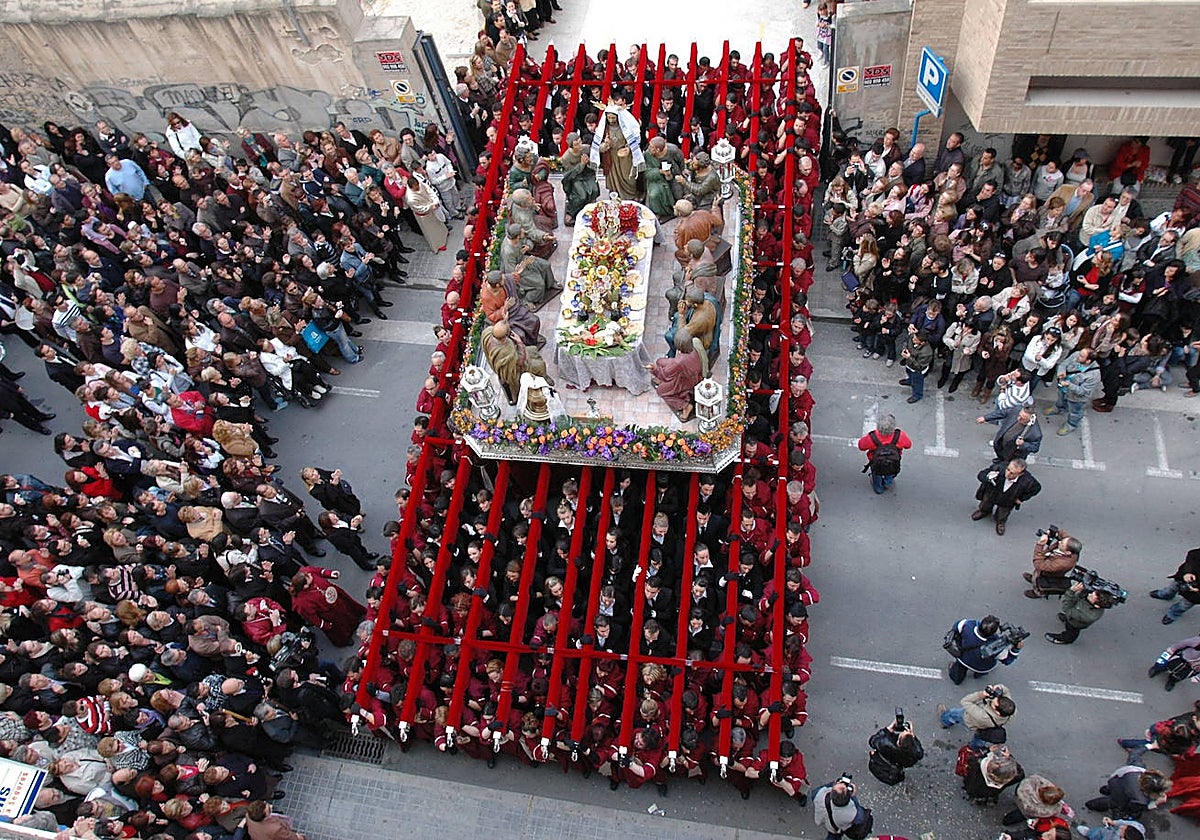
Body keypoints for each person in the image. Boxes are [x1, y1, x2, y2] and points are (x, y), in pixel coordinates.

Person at [945, 614, 1023, 684]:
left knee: (958, 672)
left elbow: (956, 627)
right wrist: (1016, 649)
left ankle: (956, 677)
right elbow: (1007, 660)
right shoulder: (997, 644)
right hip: (982, 667)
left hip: (963, 659)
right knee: (983, 668)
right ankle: (978, 674)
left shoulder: (967, 625)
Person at [972, 458, 1041, 536]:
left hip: (1009, 499)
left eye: (1012, 473)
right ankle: (984, 512)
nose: (1007, 474)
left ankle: (1000, 522)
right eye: (1008, 469)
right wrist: (988, 478)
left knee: (1003, 512)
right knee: (985, 504)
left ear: (1020, 474)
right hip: (992, 493)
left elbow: (1036, 488)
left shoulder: (1027, 480)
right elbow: (981, 475)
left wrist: (1022, 498)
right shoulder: (999, 468)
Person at [591, 103, 644, 201]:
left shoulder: (626, 126)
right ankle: (615, 198)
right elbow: (599, 147)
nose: (611, 120)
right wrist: (606, 145)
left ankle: (630, 198)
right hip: (611, 157)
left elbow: (634, 142)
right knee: (613, 181)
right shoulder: (604, 129)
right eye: (609, 118)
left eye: (613, 118)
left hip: (625, 157)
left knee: (629, 178)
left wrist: (628, 148)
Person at [938, 683, 1016, 748]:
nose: (993, 699)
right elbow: (1006, 691)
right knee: (980, 740)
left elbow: (965, 701)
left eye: (994, 703)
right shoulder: (1010, 709)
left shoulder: (983, 716)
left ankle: (945, 721)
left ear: (997, 712)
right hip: (987, 729)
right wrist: (999, 688)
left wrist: (982, 694)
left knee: (953, 714)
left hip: (970, 720)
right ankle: (974, 749)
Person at [1047, 346, 1100, 435]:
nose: (1077, 357)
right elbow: (1063, 364)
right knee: (1061, 399)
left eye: (1081, 356)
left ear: (1088, 361)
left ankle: (1071, 425)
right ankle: (1058, 408)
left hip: (1076, 398)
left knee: (1074, 412)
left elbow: (1082, 391)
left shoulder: (1094, 375)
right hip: (1063, 389)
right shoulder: (1076, 355)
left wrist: (1069, 385)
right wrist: (1061, 373)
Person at [1045, 580, 1117, 644]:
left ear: (1097, 605)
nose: (1089, 594)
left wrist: (1071, 591)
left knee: (1071, 631)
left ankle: (1065, 639)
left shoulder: (1088, 616)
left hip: (1076, 622)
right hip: (1076, 612)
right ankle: (1067, 619)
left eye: (1091, 596)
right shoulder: (1094, 602)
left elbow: (1067, 609)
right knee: (1069, 618)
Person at [856, 413, 912, 494]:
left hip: (876, 462)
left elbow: (861, 446)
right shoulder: (900, 435)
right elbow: (908, 445)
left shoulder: (872, 438)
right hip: (893, 461)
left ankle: (878, 488)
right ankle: (887, 483)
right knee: (890, 472)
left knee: (877, 474)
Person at [1024, 528, 1081, 598]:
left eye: (1062, 544)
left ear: (1067, 552)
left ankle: (1037, 592)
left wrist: (1040, 545)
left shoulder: (1061, 564)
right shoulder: (1070, 546)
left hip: (1047, 573)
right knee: (1035, 574)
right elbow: (1064, 535)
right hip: (1049, 562)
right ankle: (1034, 579)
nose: (1059, 542)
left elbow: (1039, 565)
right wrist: (1054, 532)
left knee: (1037, 578)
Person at [1149, 545, 1200, 624]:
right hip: (1183, 578)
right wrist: (1188, 572)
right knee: (1171, 588)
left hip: (1196, 594)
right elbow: (1192, 555)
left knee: (1184, 605)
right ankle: (1165, 595)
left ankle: (1172, 614)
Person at [812, 774, 871, 840]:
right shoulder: (852, 813)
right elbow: (861, 817)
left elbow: (815, 792)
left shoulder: (819, 795)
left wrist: (834, 783)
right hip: (839, 826)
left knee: (832, 834)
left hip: (825, 821)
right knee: (835, 834)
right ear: (848, 797)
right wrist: (853, 796)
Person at [559, 131, 599, 226]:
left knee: (594, 189)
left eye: (580, 142)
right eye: (576, 144)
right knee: (581, 195)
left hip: (587, 174)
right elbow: (569, 174)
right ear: (571, 146)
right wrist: (581, 165)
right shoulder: (566, 157)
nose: (580, 145)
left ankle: (589, 208)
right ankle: (571, 211)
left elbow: (597, 149)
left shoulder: (585, 149)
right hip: (575, 178)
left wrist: (605, 144)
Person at [896, 327, 933, 403]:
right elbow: (907, 342)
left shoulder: (927, 352)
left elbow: (919, 366)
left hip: (917, 370)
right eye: (914, 337)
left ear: (922, 343)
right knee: (909, 373)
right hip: (909, 364)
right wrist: (905, 349)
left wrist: (909, 357)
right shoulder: (913, 337)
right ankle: (910, 381)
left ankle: (917, 395)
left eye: (915, 340)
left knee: (917, 382)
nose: (913, 340)